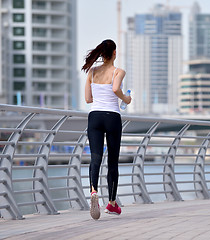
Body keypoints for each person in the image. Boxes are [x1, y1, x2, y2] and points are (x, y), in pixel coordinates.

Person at [82, 39, 131, 220]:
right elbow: (116, 88)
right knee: (112, 161)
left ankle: (94, 191)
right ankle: (111, 203)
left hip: (94, 116)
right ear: (115, 53)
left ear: (101, 54)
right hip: (112, 117)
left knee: (95, 157)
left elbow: (88, 99)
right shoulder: (118, 71)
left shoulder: (92, 72)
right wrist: (125, 99)